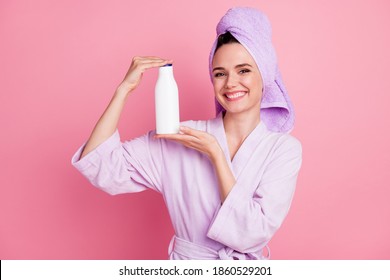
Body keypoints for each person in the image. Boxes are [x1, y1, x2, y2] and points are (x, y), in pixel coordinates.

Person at [72, 7, 302, 260]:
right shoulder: (182, 136)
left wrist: (216, 155)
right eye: (220, 74)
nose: (230, 83)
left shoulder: (283, 149)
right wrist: (123, 90)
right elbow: (102, 166)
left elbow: (252, 234)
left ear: (265, 75)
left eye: (244, 70)